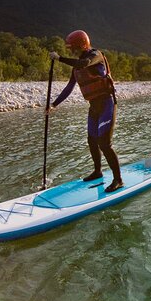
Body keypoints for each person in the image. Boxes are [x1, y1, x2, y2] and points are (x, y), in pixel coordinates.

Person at [48, 30, 123, 193]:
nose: (70, 51)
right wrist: (53, 105)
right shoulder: (76, 66)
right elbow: (69, 87)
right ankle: (98, 171)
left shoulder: (95, 56)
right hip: (94, 107)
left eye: (72, 48)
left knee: (104, 143)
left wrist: (59, 58)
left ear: (82, 44)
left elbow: (83, 64)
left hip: (107, 104)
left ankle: (118, 180)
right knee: (92, 140)